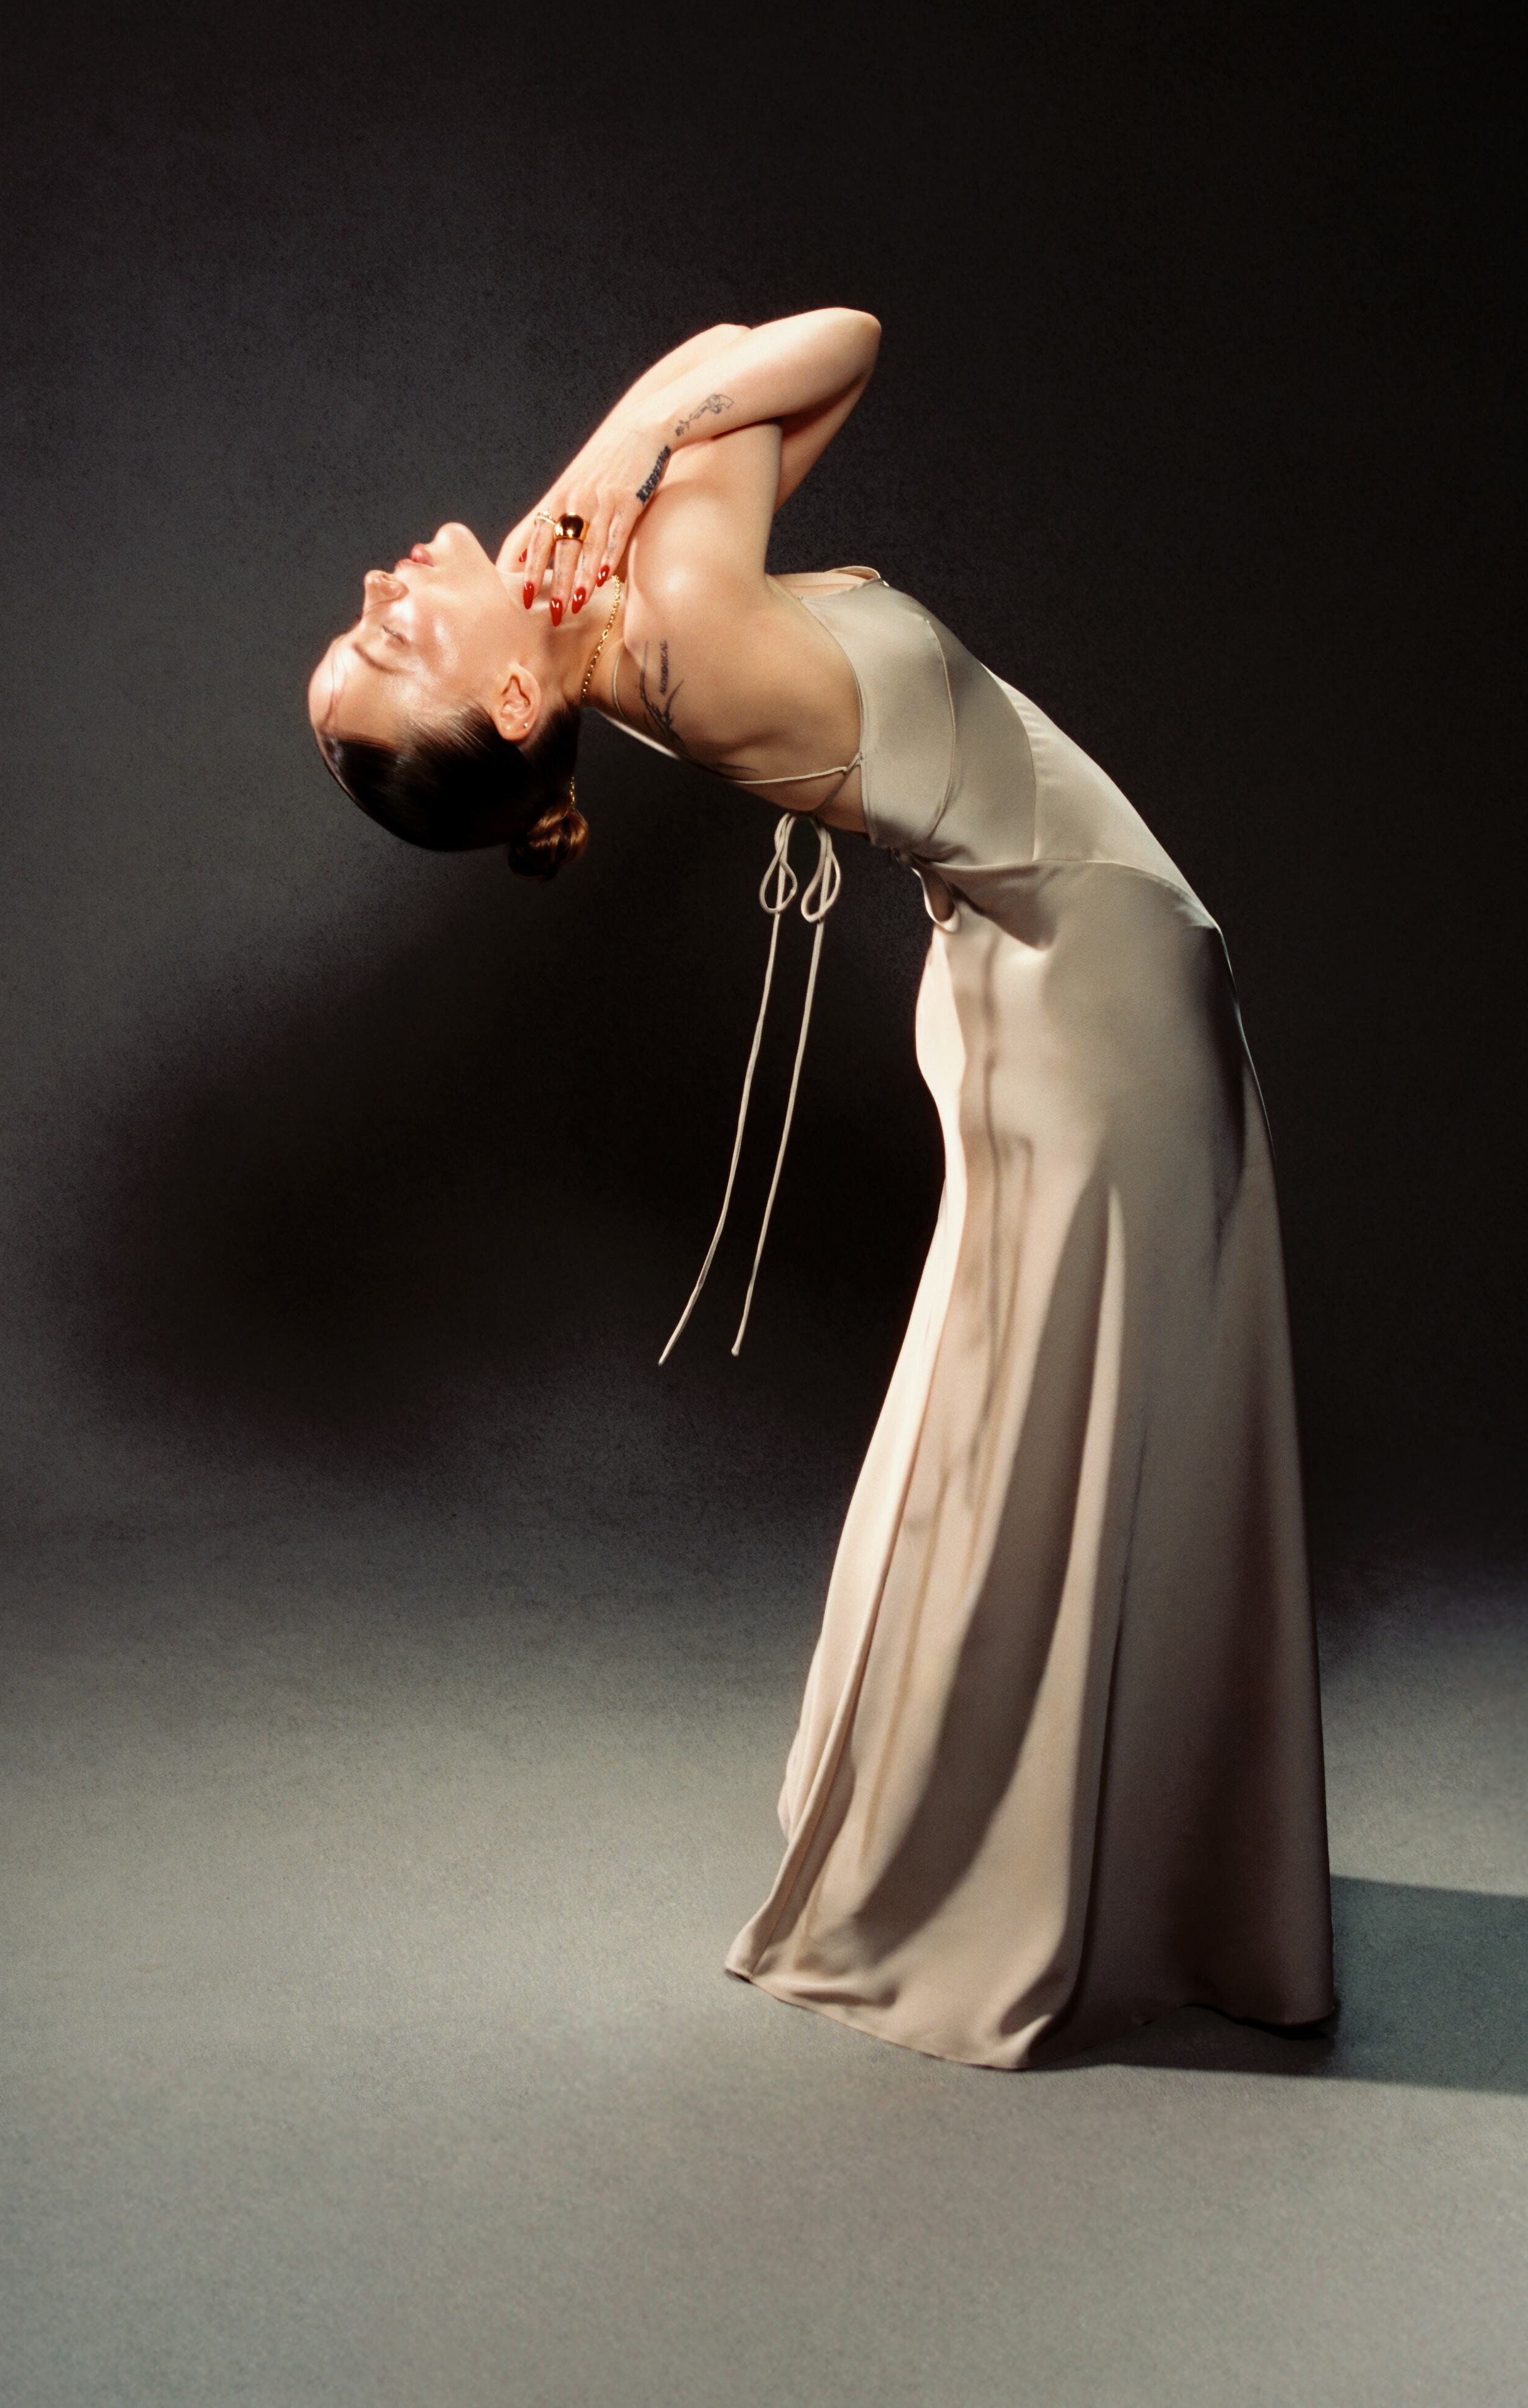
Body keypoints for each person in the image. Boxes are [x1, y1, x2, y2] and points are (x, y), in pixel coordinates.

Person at [308, 310, 1335, 2068]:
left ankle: (1073, 1861)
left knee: (1019, 1425)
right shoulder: (677, 619)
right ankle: (1016, 1884)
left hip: (1045, 984)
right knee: (1038, 1434)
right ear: (508, 708)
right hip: (1094, 1001)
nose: (378, 589)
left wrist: (589, 496)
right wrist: (609, 473)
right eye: (388, 642)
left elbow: (732, 373)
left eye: (366, 623)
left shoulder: (589, 618)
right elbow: (821, 342)